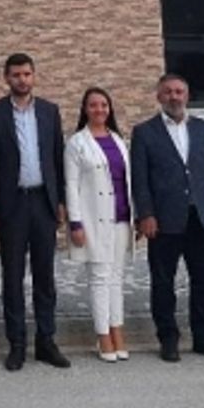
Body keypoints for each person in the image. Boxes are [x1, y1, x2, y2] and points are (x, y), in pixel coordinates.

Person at [132, 73, 204, 362]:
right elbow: (140, 179)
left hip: (201, 216)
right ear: (159, 96)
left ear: (187, 95)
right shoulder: (144, 132)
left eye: (179, 91)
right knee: (163, 282)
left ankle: (203, 338)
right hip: (163, 219)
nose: (174, 97)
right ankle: (168, 339)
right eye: (168, 92)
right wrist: (146, 214)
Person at [0, 53, 70, 371]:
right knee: (13, 276)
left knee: (45, 276)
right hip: (12, 204)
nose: (22, 79)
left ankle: (46, 341)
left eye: (27, 74)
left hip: (43, 202)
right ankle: (17, 344)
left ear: (34, 76)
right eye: (16, 74)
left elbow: (57, 158)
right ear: (6, 78)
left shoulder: (49, 111)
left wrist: (61, 200)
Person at [65, 87, 133, 363]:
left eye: (104, 105)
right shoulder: (77, 143)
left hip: (121, 218)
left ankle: (118, 330)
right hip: (93, 219)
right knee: (100, 277)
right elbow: (71, 185)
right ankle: (103, 334)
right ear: (85, 109)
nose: (99, 110)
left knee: (116, 277)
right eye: (93, 105)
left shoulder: (117, 139)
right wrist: (75, 223)